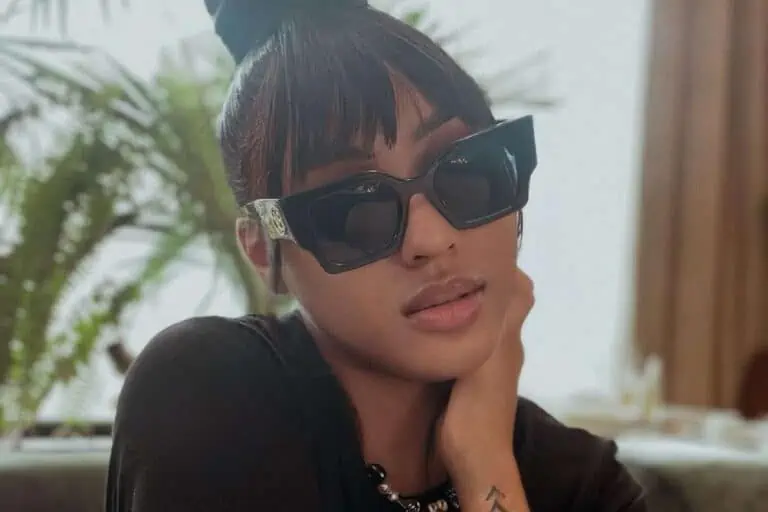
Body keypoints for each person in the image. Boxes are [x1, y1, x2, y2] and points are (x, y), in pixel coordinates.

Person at [105, 1, 647, 510]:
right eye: (354, 211)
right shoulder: (209, 395)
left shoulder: (584, 484)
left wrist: (483, 455)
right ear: (265, 252)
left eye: (464, 171)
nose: (430, 240)